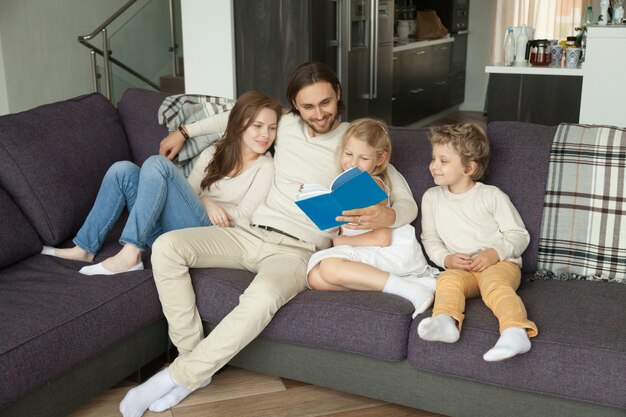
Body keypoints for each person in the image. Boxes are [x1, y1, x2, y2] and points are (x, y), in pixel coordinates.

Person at [119, 62, 421, 417]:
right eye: (308, 106)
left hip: (296, 251)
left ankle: (175, 376)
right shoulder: (286, 125)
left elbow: (404, 198)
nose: (318, 114)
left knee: (260, 298)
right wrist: (184, 131)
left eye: (325, 103)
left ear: (338, 94)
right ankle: (192, 363)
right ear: (294, 105)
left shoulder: (355, 141)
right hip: (247, 233)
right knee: (167, 247)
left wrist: (389, 215)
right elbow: (235, 117)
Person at [41, 91, 281, 275]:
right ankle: (84, 248)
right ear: (239, 125)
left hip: (209, 235)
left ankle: (131, 254)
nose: (265, 135)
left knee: (158, 164)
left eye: (272, 128)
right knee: (122, 170)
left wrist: (207, 206)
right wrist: (206, 201)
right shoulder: (215, 152)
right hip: (176, 226)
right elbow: (189, 192)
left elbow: (242, 219)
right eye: (257, 126)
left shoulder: (266, 167)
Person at [417, 123, 538, 362]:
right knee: (447, 280)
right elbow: (430, 239)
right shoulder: (431, 198)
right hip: (463, 269)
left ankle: (515, 331)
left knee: (494, 285)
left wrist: (494, 253)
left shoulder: (491, 196)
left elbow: (518, 234)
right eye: (433, 159)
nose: (434, 166)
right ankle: (445, 321)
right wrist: (446, 259)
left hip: (499, 264)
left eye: (444, 160)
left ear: (469, 167)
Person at [306, 118, 438, 317]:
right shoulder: (348, 185)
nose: (352, 163)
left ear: (380, 159)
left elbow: (382, 239)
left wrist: (341, 240)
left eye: (363, 158)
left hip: (387, 249)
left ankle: (412, 290)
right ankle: (396, 283)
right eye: (348, 154)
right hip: (364, 249)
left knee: (329, 267)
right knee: (316, 278)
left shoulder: (371, 185)